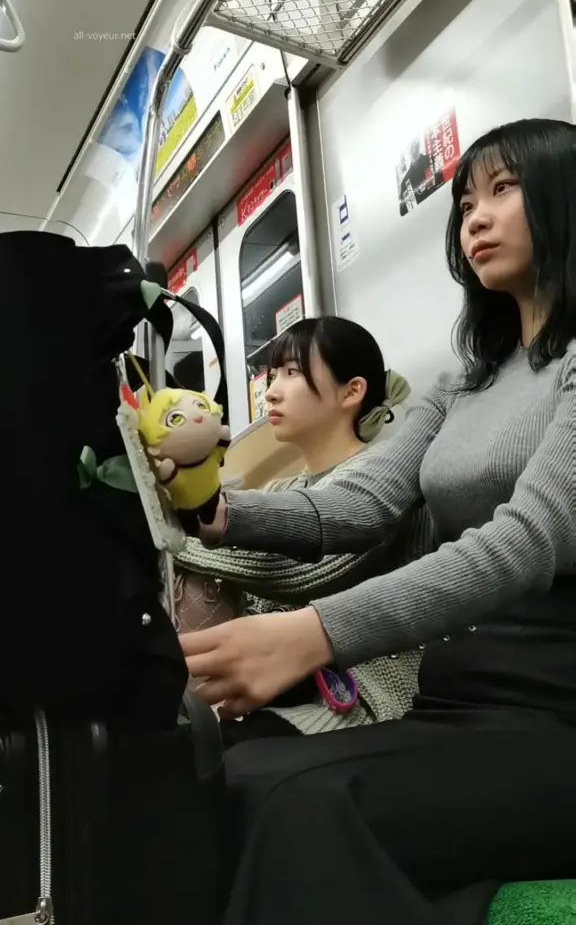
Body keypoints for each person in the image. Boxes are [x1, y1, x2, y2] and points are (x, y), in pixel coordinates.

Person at [178, 118, 576, 925]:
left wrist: (314, 633)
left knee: (306, 808)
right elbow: (359, 503)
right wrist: (214, 510)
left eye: (503, 189)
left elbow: (525, 540)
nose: (474, 218)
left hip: (556, 711)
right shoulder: (466, 382)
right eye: (465, 202)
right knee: (234, 781)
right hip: (458, 700)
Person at [177, 315, 428, 743]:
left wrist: (176, 539)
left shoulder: (383, 478)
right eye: (272, 375)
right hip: (280, 689)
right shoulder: (283, 488)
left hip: (358, 697)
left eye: (292, 373)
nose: (271, 391)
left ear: (352, 391)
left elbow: (302, 570)